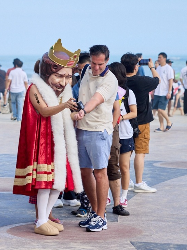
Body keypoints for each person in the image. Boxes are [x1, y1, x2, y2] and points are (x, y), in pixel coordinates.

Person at [13, 39, 83, 236]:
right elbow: (44, 111)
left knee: (58, 183)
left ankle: (44, 218)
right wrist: (65, 106)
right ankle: (41, 220)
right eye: (59, 76)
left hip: (58, 141)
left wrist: (74, 115)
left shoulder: (62, 91)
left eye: (68, 77)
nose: (63, 81)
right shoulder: (35, 88)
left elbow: (63, 114)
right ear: (47, 72)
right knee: (45, 183)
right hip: (42, 142)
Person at [73, 45, 117, 232]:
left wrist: (83, 109)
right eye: (93, 63)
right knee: (85, 172)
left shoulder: (110, 79)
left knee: (100, 173)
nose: (96, 67)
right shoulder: (85, 70)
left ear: (106, 61)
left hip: (99, 130)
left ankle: (101, 215)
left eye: (100, 64)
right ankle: (93, 211)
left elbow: (96, 99)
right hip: (82, 128)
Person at [122, 53, 159, 193]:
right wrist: (152, 67)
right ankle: (138, 182)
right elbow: (157, 80)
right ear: (136, 67)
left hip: (125, 120)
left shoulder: (120, 81)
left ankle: (128, 180)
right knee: (140, 152)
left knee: (126, 151)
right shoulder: (142, 81)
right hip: (142, 121)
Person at [107, 62, 129, 216]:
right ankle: (94, 205)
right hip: (95, 128)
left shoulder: (119, 91)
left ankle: (117, 203)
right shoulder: (86, 83)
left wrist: (112, 127)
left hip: (111, 129)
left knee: (113, 166)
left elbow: (117, 110)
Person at [153, 52, 173, 132]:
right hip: (157, 92)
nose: (158, 59)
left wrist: (169, 92)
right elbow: (156, 80)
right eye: (158, 57)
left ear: (164, 58)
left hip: (164, 92)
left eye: (160, 57)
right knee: (158, 111)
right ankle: (161, 127)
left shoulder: (168, 68)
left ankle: (169, 121)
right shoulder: (158, 68)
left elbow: (170, 80)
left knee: (161, 109)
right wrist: (153, 91)